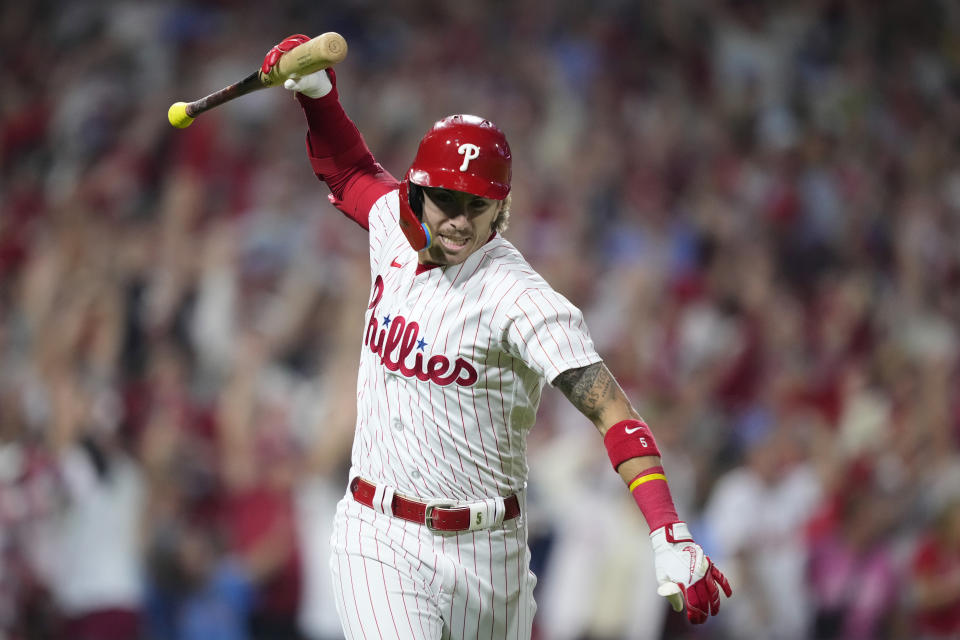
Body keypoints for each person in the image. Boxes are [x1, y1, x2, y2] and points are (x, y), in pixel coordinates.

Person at [262, 34, 732, 639]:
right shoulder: (394, 228)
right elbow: (350, 170)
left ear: (501, 206)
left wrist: (669, 530)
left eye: (477, 205)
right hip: (376, 534)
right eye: (445, 200)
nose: (458, 219)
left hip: (490, 556)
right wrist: (319, 98)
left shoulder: (523, 301)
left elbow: (611, 408)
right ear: (418, 191)